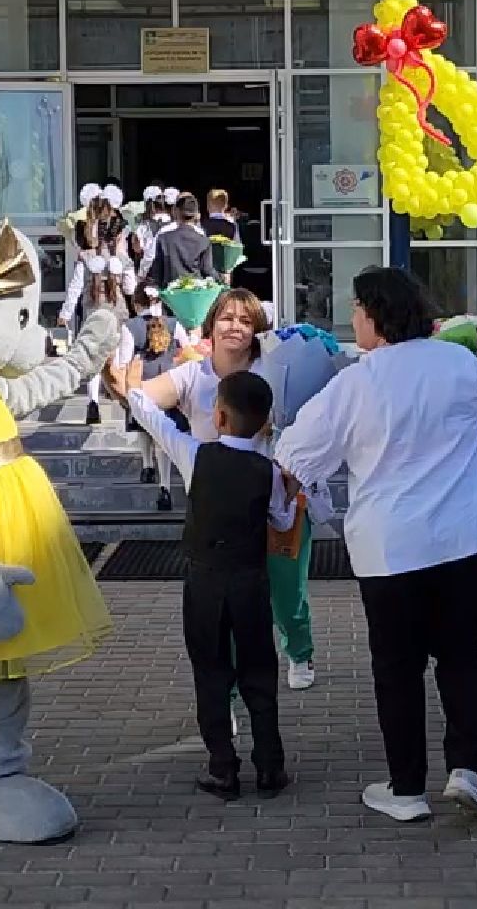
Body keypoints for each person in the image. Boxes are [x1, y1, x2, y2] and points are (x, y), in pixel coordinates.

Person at [276, 267, 477, 822]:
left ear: (374, 314)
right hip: (467, 536)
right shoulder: (460, 363)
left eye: (356, 310)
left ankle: (407, 787)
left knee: (397, 666)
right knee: (464, 654)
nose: (352, 320)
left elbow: (294, 455)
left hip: (389, 548)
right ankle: (467, 767)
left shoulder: (356, 382)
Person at [134, 288, 320, 691]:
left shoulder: (276, 368)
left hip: (278, 497)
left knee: (287, 595)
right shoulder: (192, 374)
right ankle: (232, 690)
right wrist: (126, 384)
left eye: (245, 320)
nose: (235, 326)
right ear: (211, 324)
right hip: (220, 510)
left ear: (256, 330)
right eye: (227, 317)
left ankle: (299, 650)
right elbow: (143, 400)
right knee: (229, 604)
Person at [123, 371, 293, 801]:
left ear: (218, 416)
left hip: (204, 581)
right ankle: (270, 767)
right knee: (259, 671)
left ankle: (223, 769)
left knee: (211, 673)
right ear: (265, 422)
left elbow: (153, 419)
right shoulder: (267, 470)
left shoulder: (195, 454)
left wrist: (129, 385)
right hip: (251, 582)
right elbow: (283, 520)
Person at [60, 184, 133, 425]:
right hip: (116, 304)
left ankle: (92, 401)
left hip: (93, 305)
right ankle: (125, 402)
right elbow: (130, 286)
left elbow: (76, 284)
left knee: (94, 353)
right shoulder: (120, 257)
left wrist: (66, 312)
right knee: (118, 354)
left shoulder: (85, 255)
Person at [113, 284, 191, 511]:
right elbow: (187, 352)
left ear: (137, 303)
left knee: (143, 425)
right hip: (168, 385)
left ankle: (147, 466)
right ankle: (164, 486)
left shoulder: (130, 327)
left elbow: (122, 361)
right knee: (162, 436)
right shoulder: (174, 324)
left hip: (142, 383)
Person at [149, 193, 216, 291]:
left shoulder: (164, 239)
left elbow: (157, 272)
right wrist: (221, 282)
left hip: (171, 295)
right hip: (196, 294)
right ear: (196, 214)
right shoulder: (204, 241)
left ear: (176, 211)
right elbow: (207, 270)